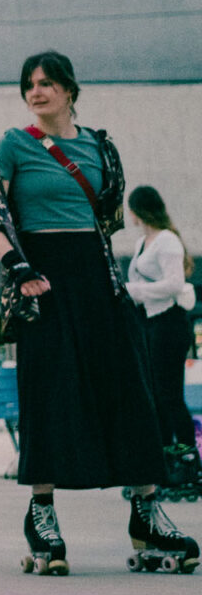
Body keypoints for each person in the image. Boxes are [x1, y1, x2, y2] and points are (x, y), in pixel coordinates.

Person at [0, 52, 195, 575]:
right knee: (47, 392)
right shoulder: (12, 145)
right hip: (41, 279)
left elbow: (107, 218)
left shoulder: (100, 147)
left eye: (47, 83)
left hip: (98, 279)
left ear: (70, 90)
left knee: (129, 390)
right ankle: (42, 512)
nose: (37, 91)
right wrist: (19, 267)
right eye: (29, 84)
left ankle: (146, 510)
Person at [123, 187, 197, 499]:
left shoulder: (167, 240)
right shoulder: (143, 242)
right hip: (151, 324)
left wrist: (134, 291)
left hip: (169, 322)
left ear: (138, 211)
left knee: (169, 395)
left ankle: (187, 460)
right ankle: (166, 459)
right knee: (155, 395)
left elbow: (174, 284)